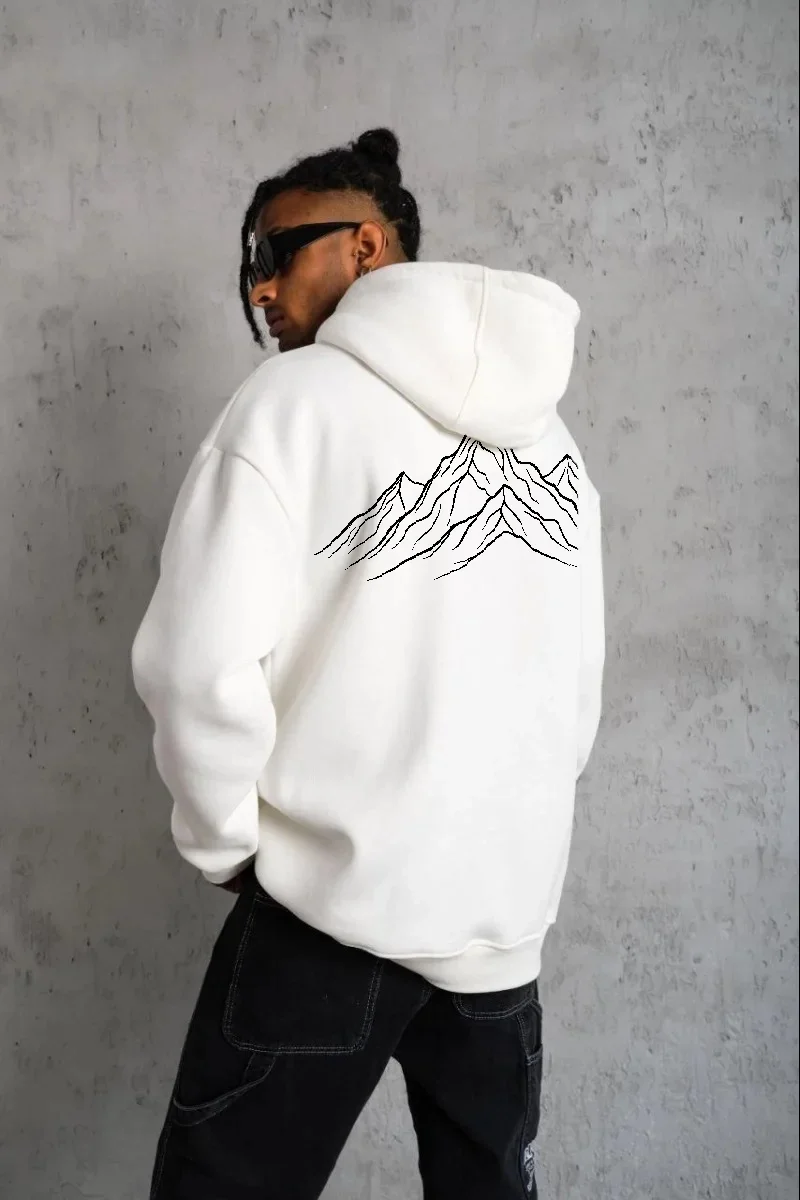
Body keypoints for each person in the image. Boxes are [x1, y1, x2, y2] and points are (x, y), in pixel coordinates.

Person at [132, 127, 605, 1200]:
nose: (258, 286)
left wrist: (227, 845)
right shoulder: (555, 446)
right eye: (249, 263)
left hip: (326, 920)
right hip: (497, 925)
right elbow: (575, 689)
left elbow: (196, 666)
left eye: (274, 251)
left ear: (365, 246)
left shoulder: (288, 406)